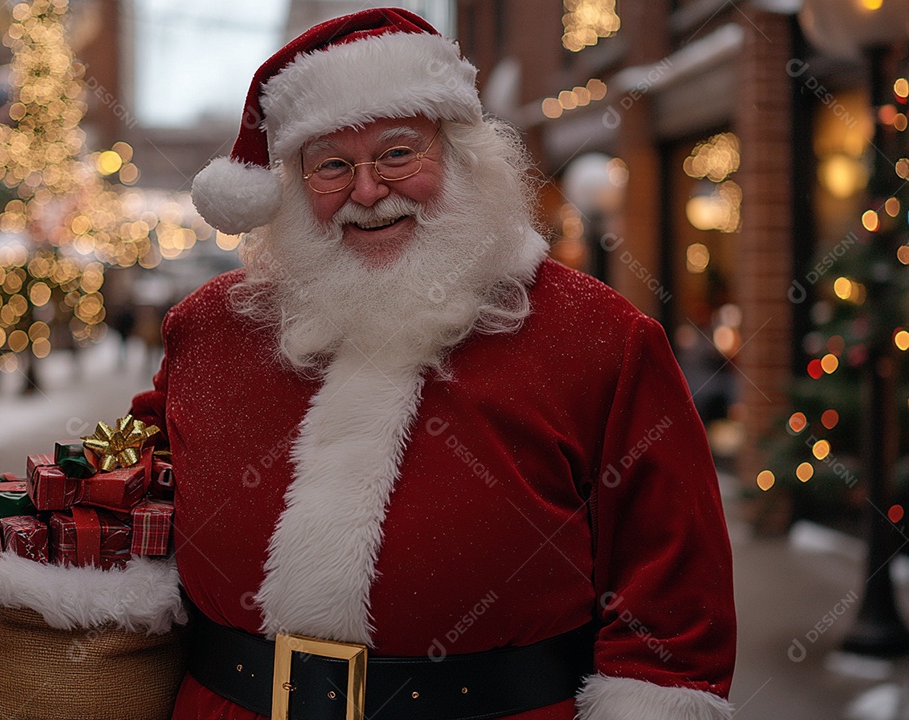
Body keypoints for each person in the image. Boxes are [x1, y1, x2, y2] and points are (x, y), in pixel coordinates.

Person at [130, 8, 736, 719]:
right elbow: (134, 496)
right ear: (291, 186)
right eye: (331, 165)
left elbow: (673, 602)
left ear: (461, 155)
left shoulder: (600, 337)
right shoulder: (210, 328)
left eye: (397, 153)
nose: (366, 191)